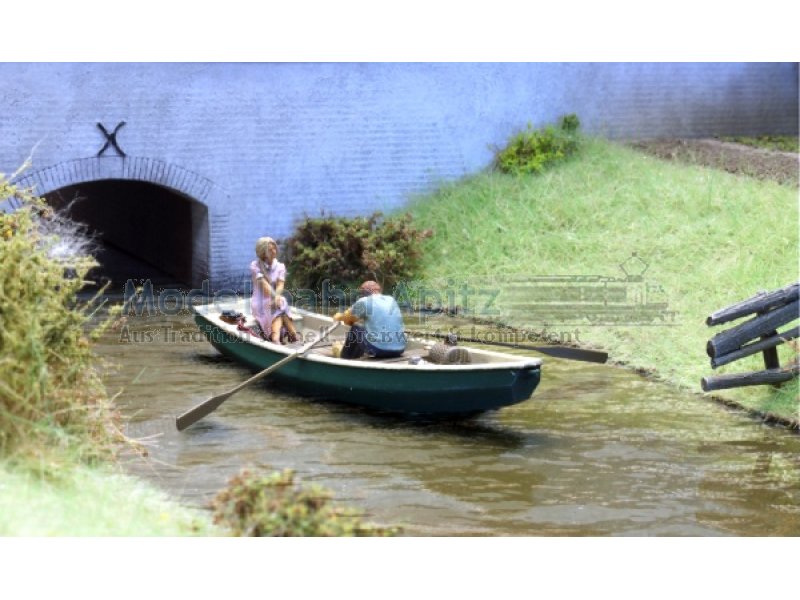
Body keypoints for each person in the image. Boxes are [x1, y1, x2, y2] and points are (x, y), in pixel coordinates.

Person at [333, 280, 406, 359]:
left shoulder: (364, 301)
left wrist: (338, 317)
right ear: (379, 290)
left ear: (363, 294)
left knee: (356, 328)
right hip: (400, 349)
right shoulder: (391, 300)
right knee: (365, 329)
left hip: (379, 349)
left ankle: (345, 356)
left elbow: (348, 319)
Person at [250, 236, 298, 344]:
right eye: (270, 250)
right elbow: (264, 285)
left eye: (274, 248)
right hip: (260, 302)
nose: (274, 251)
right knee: (280, 303)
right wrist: (276, 297)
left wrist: (276, 297)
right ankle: (293, 334)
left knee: (280, 302)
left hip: (275, 299)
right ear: (263, 253)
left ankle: (276, 338)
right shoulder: (255, 266)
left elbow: (280, 284)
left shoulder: (280, 266)